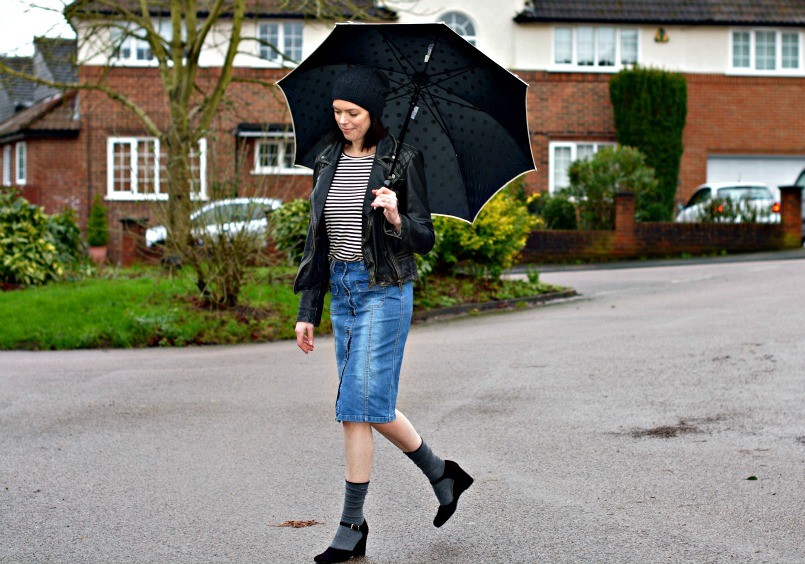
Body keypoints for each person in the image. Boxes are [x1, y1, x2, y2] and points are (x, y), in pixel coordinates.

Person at [293, 66, 473, 563]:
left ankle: (351, 527)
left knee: (356, 405)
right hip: (344, 294)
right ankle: (442, 473)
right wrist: (309, 307)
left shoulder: (402, 160)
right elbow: (317, 241)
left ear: (373, 113)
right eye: (337, 112)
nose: (344, 120)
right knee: (368, 403)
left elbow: (423, 236)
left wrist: (395, 217)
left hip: (385, 293)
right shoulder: (327, 160)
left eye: (353, 113)